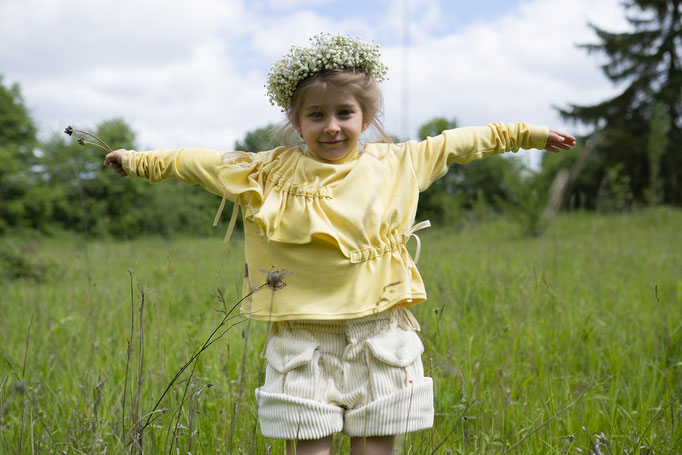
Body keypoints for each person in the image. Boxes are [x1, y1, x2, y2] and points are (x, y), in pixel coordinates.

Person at [103, 33, 575, 455]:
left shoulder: (400, 162)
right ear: (296, 119)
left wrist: (527, 135)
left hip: (381, 333)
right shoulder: (264, 171)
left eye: (344, 113)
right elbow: (194, 162)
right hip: (301, 337)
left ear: (365, 116)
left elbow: (464, 141)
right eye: (316, 115)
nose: (332, 126)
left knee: (375, 447)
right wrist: (137, 160)